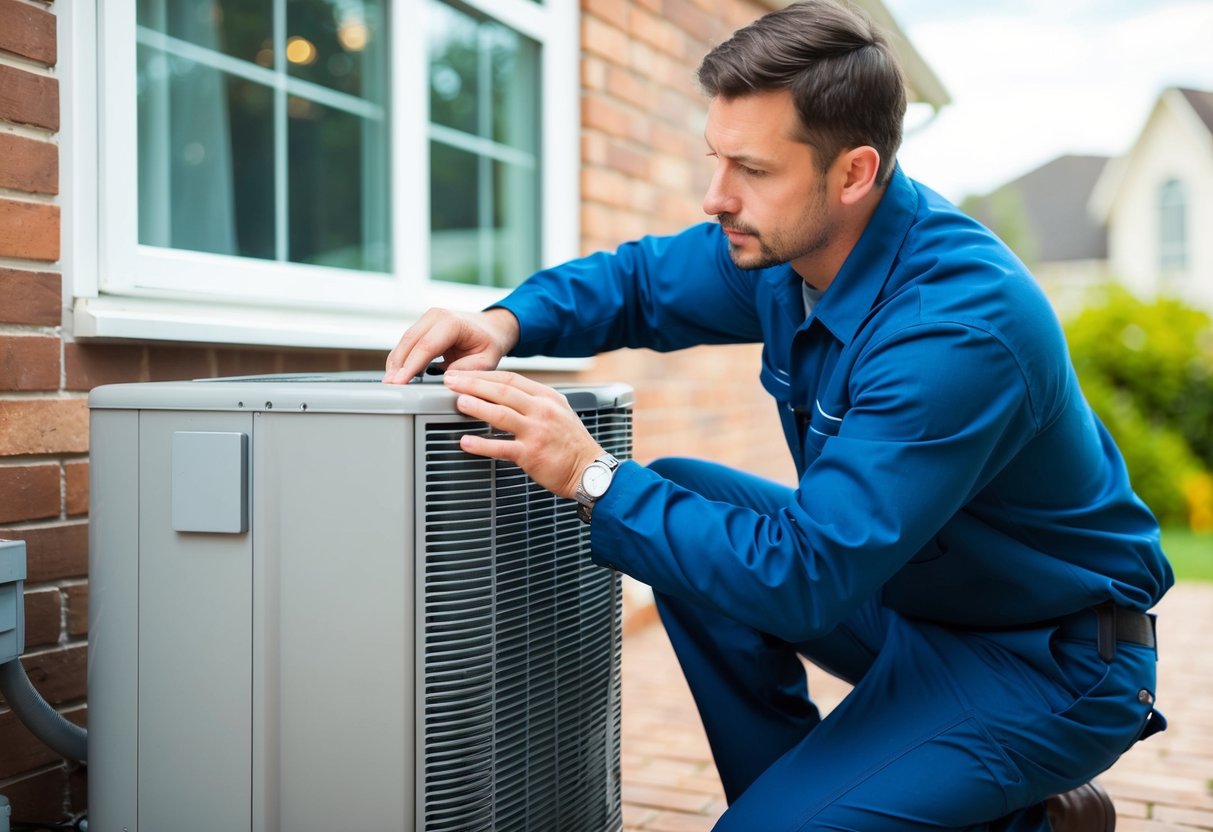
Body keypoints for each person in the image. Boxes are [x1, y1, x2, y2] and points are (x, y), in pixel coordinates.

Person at [384, 1, 1172, 828]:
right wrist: (505, 321)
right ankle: (854, 805)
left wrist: (589, 472)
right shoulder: (788, 247)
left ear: (853, 173)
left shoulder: (956, 329)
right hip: (915, 605)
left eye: (750, 170)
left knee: (657, 511)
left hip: (1045, 659)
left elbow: (804, 578)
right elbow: (639, 283)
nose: (714, 196)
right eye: (715, 158)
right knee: (687, 498)